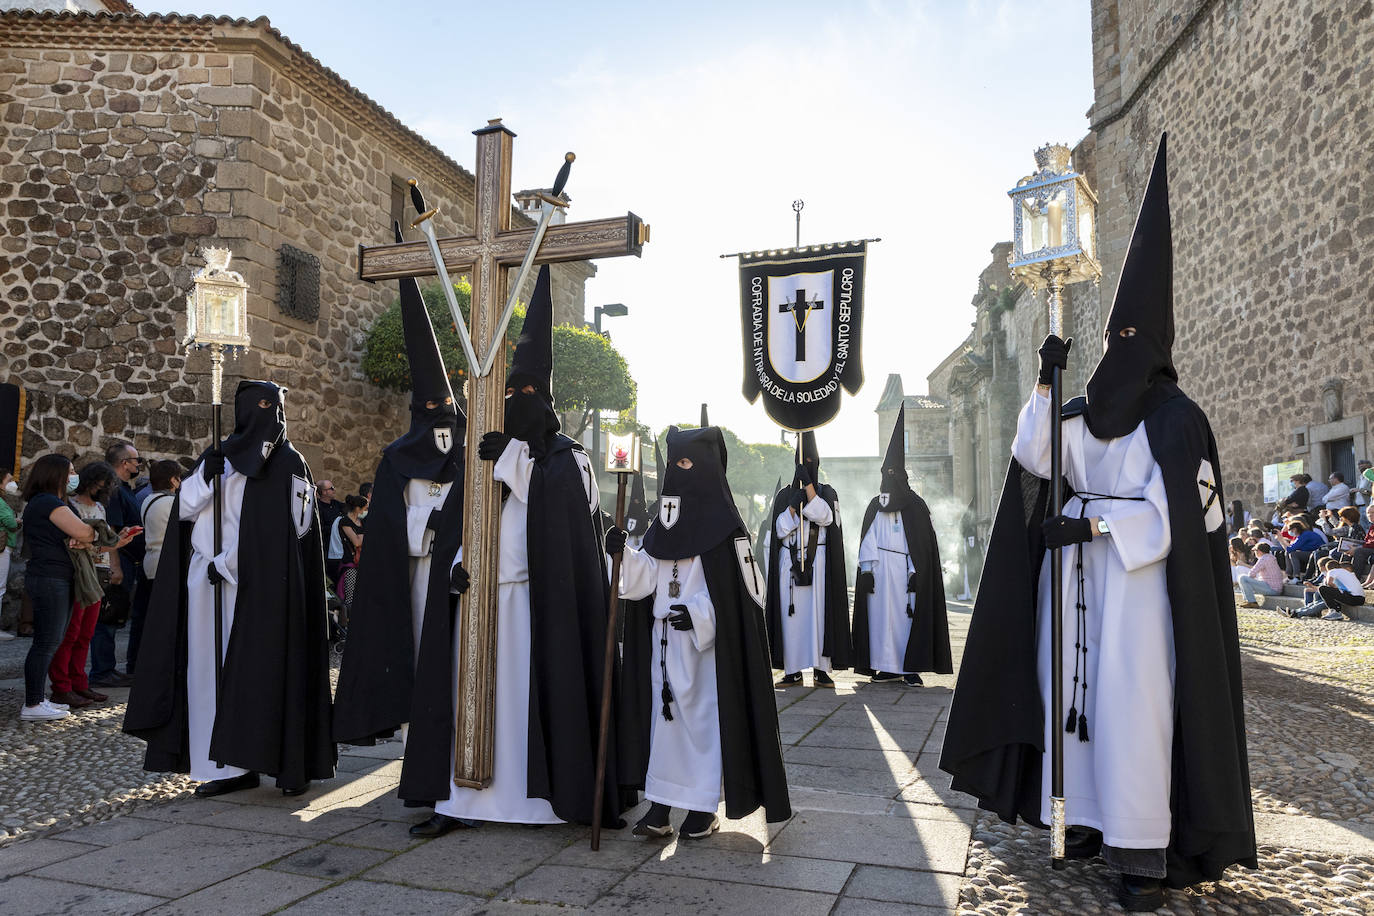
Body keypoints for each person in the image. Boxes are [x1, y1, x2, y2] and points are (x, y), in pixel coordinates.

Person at [940, 136, 1255, 910]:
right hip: (1071, 582)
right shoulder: (1079, 413)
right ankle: (1079, 818)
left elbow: (1179, 519)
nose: (1117, 351)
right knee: (1067, 696)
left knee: (1132, 705)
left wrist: (1097, 532)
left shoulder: (1179, 424)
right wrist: (1047, 383)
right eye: (1109, 340)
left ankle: (1141, 848)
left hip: (1138, 592)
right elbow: (1036, 456)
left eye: (1128, 340)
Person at [410, 265, 621, 837]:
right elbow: (461, 521)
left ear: (546, 398)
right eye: (511, 393)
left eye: (528, 392)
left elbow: (566, 518)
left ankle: (533, 801)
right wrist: (454, 567)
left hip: (533, 602)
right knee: (467, 700)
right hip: (477, 597)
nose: (518, 400)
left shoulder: (567, 458)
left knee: (524, 700)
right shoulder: (483, 451)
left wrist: (512, 460)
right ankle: (459, 801)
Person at [124, 380, 336, 796]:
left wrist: (231, 563)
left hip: (260, 588)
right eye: (261, 405)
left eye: (277, 407)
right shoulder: (217, 457)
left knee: (266, 671)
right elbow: (184, 510)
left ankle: (280, 762)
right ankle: (223, 767)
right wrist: (206, 478)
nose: (272, 416)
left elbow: (285, 534)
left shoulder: (289, 462)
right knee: (208, 674)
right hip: (207, 584)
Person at [331, 238, 467, 830]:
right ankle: (423, 765)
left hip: (462, 585)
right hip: (414, 582)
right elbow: (390, 529)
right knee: (419, 672)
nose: (442, 425)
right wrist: (426, 529)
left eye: (448, 414)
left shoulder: (474, 455)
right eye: (431, 413)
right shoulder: (396, 463)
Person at [615, 423, 791, 840]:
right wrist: (621, 552)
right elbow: (646, 578)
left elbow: (745, 596)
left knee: (700, 728)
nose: (679, 470)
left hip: (705, 651)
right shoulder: (664, 522)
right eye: (674, 463)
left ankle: (701, 809)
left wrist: (698, 615)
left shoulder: (727, 528)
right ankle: (659, 808)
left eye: (688, 462)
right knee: (664, 727)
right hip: (663, 646)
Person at [851, 405, 952, 686]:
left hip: (905, 574)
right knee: (881, 622)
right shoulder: (876, 505)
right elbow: (868, 539)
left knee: (906, 620)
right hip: (881, 574)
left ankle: (909, 667)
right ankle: (885, 666)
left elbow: (920, 546)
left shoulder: (916, 507)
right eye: (888, 473)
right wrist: (867, 570)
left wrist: (914, 573)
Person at [19, 455, 105, 720]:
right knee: (46, 642)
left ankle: (37, 700)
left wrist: (85, 537)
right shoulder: (48, 502)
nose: (74, 476)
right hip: (51, 578)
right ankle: (33, 703)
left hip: (54, 576)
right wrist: (89, 536)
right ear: (56, 475)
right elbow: (84, 532)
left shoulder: (45, 503)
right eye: (70, 471)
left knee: (50, 641)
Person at [765, 432, 851, 687]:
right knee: (790, 618)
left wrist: (810, 492)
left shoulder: (827, 492)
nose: (808, 465)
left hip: (820, 560)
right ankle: (792, 670)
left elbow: (826, 519)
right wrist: (792, 507)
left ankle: (821, 669)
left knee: (818, 616)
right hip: (789, 562)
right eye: (804, 462)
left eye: (812, 461)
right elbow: (780, 530)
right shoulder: (783, 495)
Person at [50, 462, 131, 709]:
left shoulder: (99, 507)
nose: (103, 487)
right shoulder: (69, 506)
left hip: (99, 570)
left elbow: (100, 544)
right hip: (80, 571)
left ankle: (79, 682)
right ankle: (62, 686)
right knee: (72, 632)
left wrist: (120, 541)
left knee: (86, 632)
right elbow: (78, 542)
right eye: (100, 482)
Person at [87, 441, 143, 689]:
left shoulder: (124, 489)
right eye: (136, 460)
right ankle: (102, 670)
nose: (139, 465)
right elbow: (111, 530)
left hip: (130, 560)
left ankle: (107, 667)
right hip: (119, 561)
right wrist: (116, 565)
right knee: (108, 615)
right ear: (124, 463)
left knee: (115, 616)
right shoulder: (115, 490)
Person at [129, 460, 182, 675]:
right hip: (166, 565)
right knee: (163, 621)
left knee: (145, 618)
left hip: (150, 563)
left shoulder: (149, 499)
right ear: (173, 480)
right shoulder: (171, 503)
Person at [335, 494, 365, 627]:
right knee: (350, 596)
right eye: (364, 508)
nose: (365, 511)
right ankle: (347, 626)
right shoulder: (345, 521)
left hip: (361, 563)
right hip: (350, 563)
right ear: (358, 508)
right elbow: (357, 542)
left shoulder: (361, 522)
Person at [0, 471, 19, 640]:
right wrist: (17, 521)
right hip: (2, 548)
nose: (13, 483)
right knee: (0, 587)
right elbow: (10, 523)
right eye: (9, 480)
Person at [1236, 542, 1284, 608]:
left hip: (1272, 589)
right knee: (1244, 579)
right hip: (1274, 588)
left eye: (1255, 550)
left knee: (1242, 578)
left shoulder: (1264, 559)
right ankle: (1248, 600)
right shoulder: (1270, 557)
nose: (1254, 552)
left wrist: (1252, 579)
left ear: (1259, 551)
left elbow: (1251, 574)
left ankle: (1251, 602)